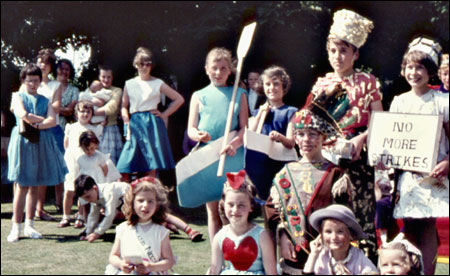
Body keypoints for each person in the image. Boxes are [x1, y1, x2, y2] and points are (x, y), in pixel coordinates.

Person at [304, 9, 383, 262]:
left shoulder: (368, 81)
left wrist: (361, 138)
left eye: (344, 51)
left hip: (358, 161)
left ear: (355, 53)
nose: (338, 57)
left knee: (359, 217)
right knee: (328, 217)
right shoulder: (322, 84)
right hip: (326, 160)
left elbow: (381, 120)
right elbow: (309, 123)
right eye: (333, 51)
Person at [265, 108, 351, 274]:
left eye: (313, 134)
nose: (306, 140)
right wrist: (282, 235)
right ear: (295, 138)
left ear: (323, 137)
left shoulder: (335, 173)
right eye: (301, 134)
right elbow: (272, 210)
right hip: (293, 252)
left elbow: (344, 213)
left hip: (326, 251)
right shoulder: (285, 173)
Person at [389, 36, 449, 275]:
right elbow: (392, 138)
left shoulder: (442, 101)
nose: (414, 73)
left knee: (426, 224)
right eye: (410, 67)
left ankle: (428, 272)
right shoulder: (399, 101)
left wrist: (447, 162)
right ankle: (408, 269)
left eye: (420, 67)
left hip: (434, 174)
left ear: (431, 71)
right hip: (408, 175)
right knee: (410, 224)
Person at [186, 47, 249, 244]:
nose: (218, 72)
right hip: (208, 157)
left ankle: (235, 251)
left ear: (230, 70)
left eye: (223, 68)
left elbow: (244, 129)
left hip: (233, 156)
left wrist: (234, 144)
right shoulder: (198, 95)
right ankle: (216, 256)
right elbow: (191, 128)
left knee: (232, 208)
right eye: (214, 68)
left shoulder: (239, 94)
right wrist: (199, 135)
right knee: (212, 210)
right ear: (207, 69)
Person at [6, 64, 67, 242]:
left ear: (40, 81)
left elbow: (53, 122)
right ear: (23, 80)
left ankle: (30, 226)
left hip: (40, 142)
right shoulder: (17, 96)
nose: (32, 83)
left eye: (35, 80)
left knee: (34, 186)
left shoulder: (44, 100)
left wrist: (39, 124)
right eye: (29, 80)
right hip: (22, 142)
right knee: (22, 185)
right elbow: (22, 113)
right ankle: (15, 228)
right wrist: (43, 120)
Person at [116, 47, 184, 181]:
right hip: (134, 124)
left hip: (151, 124)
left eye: (148, 64)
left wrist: (164, 114)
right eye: (141, 64)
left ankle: (150, 197)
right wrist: (126, 121)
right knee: (124, 166)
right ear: (136, 65)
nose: (145, 67)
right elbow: (124, 106)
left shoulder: (157, 83)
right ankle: (126, 199)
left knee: (150, 165)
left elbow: (179, 99)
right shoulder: (129, 84)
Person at [209, 170, 276, 275]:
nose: (235, 210)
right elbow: (214, 270)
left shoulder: (261, 236)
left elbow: (271, 272)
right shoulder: (220, 236)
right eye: (230, 205)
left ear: (251, 207)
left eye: (241, 205)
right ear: (223, 205)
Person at [106, 176, 175, 275]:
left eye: (150, 201)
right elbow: (113, 256)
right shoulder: (123, 228)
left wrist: (151, 267)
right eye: (141, 200)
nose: (145, 205)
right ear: (132, 203)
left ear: (157, 205)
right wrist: (121, 264)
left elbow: (169, 261)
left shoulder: (161, 231)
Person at [247, 66, 297, 200]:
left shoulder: (290, 112)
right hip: (261, 164)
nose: (272, 87)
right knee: (262, 198)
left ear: (284, 87)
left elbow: (291, 143)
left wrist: (279, 137)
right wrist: (260, 115)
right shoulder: (258, 112)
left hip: (280, 163)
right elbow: (250, 138)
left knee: (281, 198)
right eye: (267, 84)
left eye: (276, 84)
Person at [59, 100, 103, 229]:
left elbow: (95, 146)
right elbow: (66, 144)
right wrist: (70, 156)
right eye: (82, 111)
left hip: (86, 162)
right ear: (76, 113)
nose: (85, 114)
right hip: (72, 160)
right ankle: (66, 216)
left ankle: (81, 216)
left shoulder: (93, 129)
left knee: (82, 189)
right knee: (69, 189)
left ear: (92, 114)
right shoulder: (71, 127)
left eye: (88, 112)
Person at [303, 204, 378, 275]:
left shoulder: (360, 259)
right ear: (321, 235)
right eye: (328, 232)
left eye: (340, 232)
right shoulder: (321, 257)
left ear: (351, 235)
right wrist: (313, 255)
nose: (334, 237)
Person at [91, 65, 123, 164]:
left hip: (109, 129)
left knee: (108, 163)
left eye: (109, 77)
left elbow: (110, 108)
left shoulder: (116, 90)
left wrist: (89, 113)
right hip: (93, 129)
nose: (106, 79)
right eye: (103, 76)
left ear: (112, 77)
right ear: (99, 77)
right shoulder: (93, 91)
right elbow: (83, 103)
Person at [56, 59, 79, 131]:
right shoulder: (49, 86)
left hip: (66, 129)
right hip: (48, 127)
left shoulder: (74, 90)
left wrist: (51, 109)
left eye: (67, 69)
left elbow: (69, 111)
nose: (64, 72)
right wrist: (63, 110)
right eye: (62, 69)